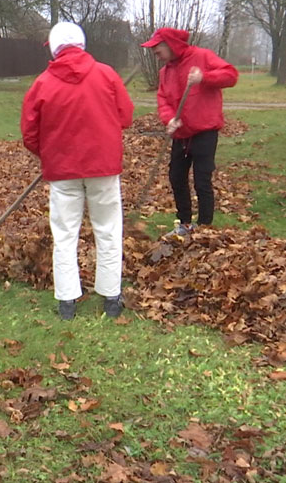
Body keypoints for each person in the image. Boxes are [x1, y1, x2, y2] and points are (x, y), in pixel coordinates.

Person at [20, 22, 134, 320]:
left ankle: (67, 302)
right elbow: (126, 116)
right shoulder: (107, 75)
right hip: (103, 167)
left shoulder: (43, 83)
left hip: (63, 171)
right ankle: (111, 296)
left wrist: (48, 154)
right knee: (108, 230)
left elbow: (30, 133)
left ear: (55, 48)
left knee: (65, 234)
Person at [141, 27, 238, 237]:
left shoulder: (202, 56)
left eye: (158, 50)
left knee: (202, 179)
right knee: (176, 177)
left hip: (205, 130)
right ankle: (184, 224)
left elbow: (230, 76)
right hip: (181, 134)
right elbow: (163, 100)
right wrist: (169, 119)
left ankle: (204, 228)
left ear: (171, 45)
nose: (156, 55)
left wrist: (205, 77)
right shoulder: (165, 72)